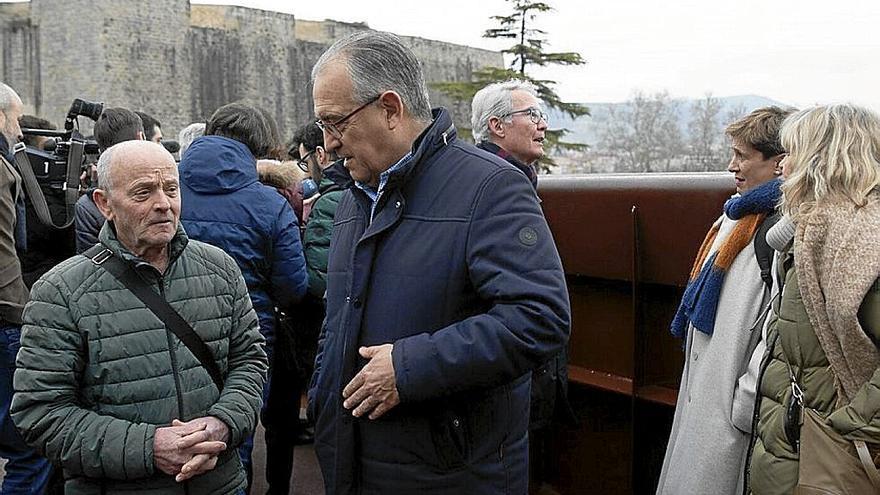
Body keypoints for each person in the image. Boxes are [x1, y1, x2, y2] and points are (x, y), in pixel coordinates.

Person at [308, 31, 571, 494]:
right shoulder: (354, 197)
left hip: (449, 472)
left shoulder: (490, 187)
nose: (327, 144)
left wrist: (409, 368)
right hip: (356, 462)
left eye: (335, 123)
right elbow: (338, 321)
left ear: (390, 109)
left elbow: (540, 317)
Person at [10, 140, 267, 493]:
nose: (163, 204)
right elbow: (41, 413)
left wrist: (223, 424)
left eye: (171, 189)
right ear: (104, 204)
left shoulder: (220, 268)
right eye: (143, 192)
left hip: (220, 483)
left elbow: (250, 362)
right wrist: (148, 448)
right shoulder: (60, 293)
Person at [656, 106, 792, 494]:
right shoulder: (734, 215)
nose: (732, 165)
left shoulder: (783, 230)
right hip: (710, 390)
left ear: (779, 163)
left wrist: (745, 401)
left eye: (743, 156)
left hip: (734, 407)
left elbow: (779, 327)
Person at [748, 104, 880, 494]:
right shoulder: (810, 229)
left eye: (793, 154)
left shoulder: (856, 240)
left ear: (822, 159)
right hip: (797, 441)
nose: (783, 167)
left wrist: (848, 427)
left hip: (824, 451)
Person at [178, 102, 309, 493]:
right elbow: (293, 286)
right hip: (248, 336)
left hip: (168, 330)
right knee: (238, 434)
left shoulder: (165, 189)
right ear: (260, 149)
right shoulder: (270, 204)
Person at [470, 79, 574, 494]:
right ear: (497, 125)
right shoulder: (492, 185)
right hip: (500, 374)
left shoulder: (510, 179)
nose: (542, 125)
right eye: (532, 114)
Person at [0, 82, 53, 494]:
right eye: (15, 119)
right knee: (29, 448)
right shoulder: (2, 168)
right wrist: (20, 313)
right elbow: (5, 248)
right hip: (6, 317)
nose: (19, 131)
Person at [74, 107, 145, 253]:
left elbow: (90, 260)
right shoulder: (167, 190)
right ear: (141, 137)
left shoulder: (88, 206)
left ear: (100, 149)